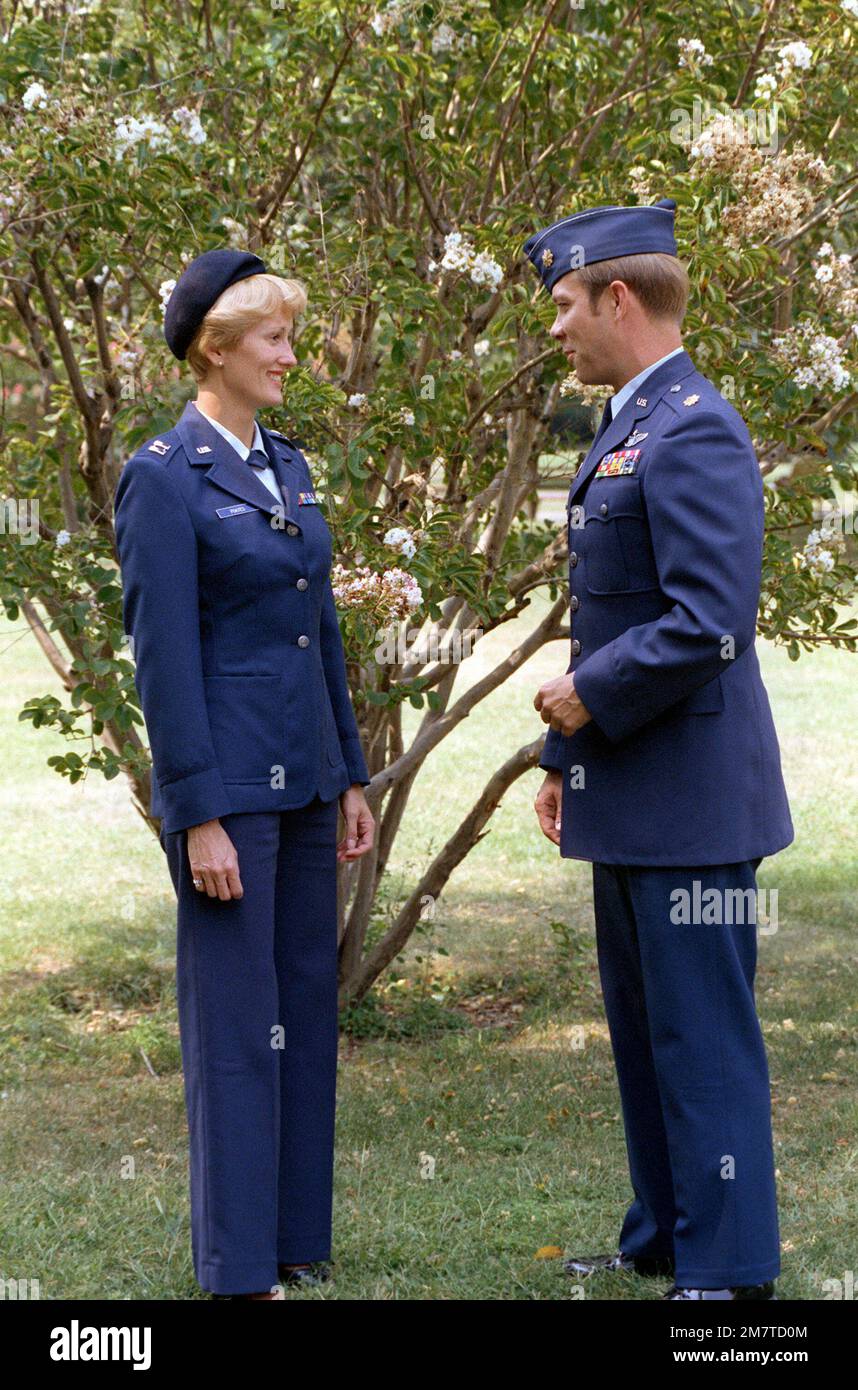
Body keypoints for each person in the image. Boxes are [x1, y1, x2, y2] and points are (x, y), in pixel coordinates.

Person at [524, 199, 793, 1300]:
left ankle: (727, 1271)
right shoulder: (634, 419)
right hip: (636, 786)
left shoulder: (694, 425)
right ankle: (669, 1236)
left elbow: (711, 617)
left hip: (695, 798)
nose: (557, 329)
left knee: (703, 1035)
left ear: (617, 298)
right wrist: (562, 757)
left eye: (564, 305)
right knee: (644, 1031)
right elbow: (621, 606)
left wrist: (584, 696)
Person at [113, 249, 375, 1299]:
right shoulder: (164, 476)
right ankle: (235, 1266)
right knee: (235, 1026)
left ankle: (292, 1238)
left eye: (290, 336)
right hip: (233, 799)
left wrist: (351, 773)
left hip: (310, 786)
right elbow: (165, 664)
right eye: (273, 338)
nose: (290, 355)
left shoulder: (287, 462)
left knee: (304, 1012)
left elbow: (322, 627)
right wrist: (198, 816)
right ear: (213, 349)